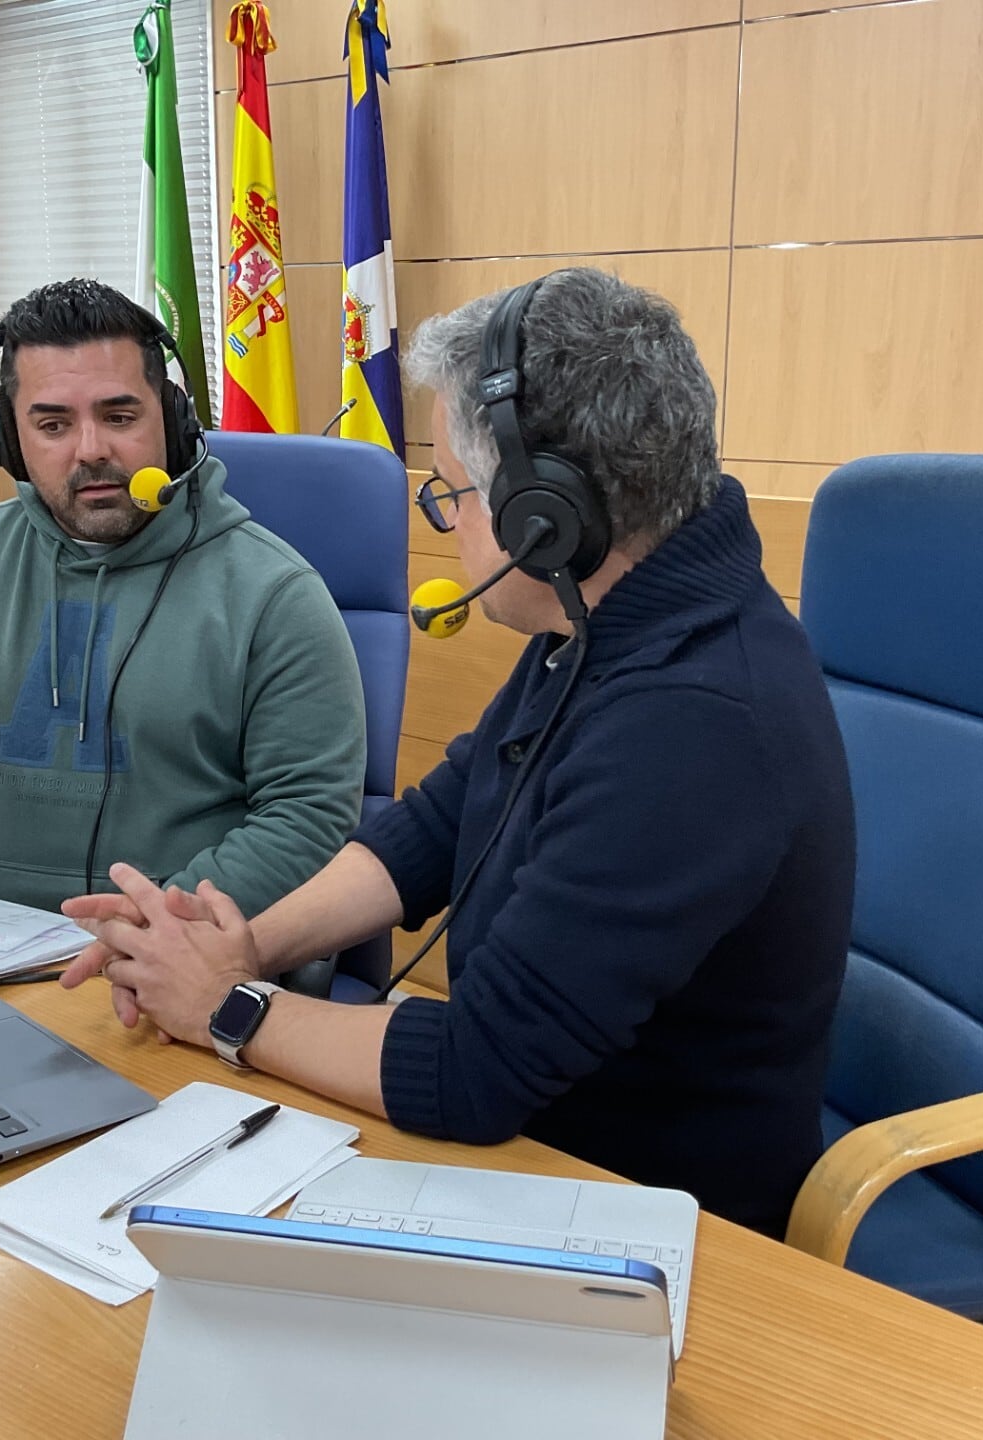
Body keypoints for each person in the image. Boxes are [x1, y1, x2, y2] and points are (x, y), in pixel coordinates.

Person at [61, 268, 856, 1233]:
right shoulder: (615, 616)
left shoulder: (695, 720)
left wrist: (229, 1008)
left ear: (547, 516)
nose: (446, 523)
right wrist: (247, 946)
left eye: (453, 494)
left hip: (643, 1211)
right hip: (534, 1146)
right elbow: (436, 828)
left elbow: (477, 1072)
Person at [0, 278, 366, 915]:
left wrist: (147, 932)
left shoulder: (275, 595)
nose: (91, 450)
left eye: (119, 417)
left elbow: (307, 814)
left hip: (171, 963)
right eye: (53, 424)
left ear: (172, 423)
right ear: (9, 438)